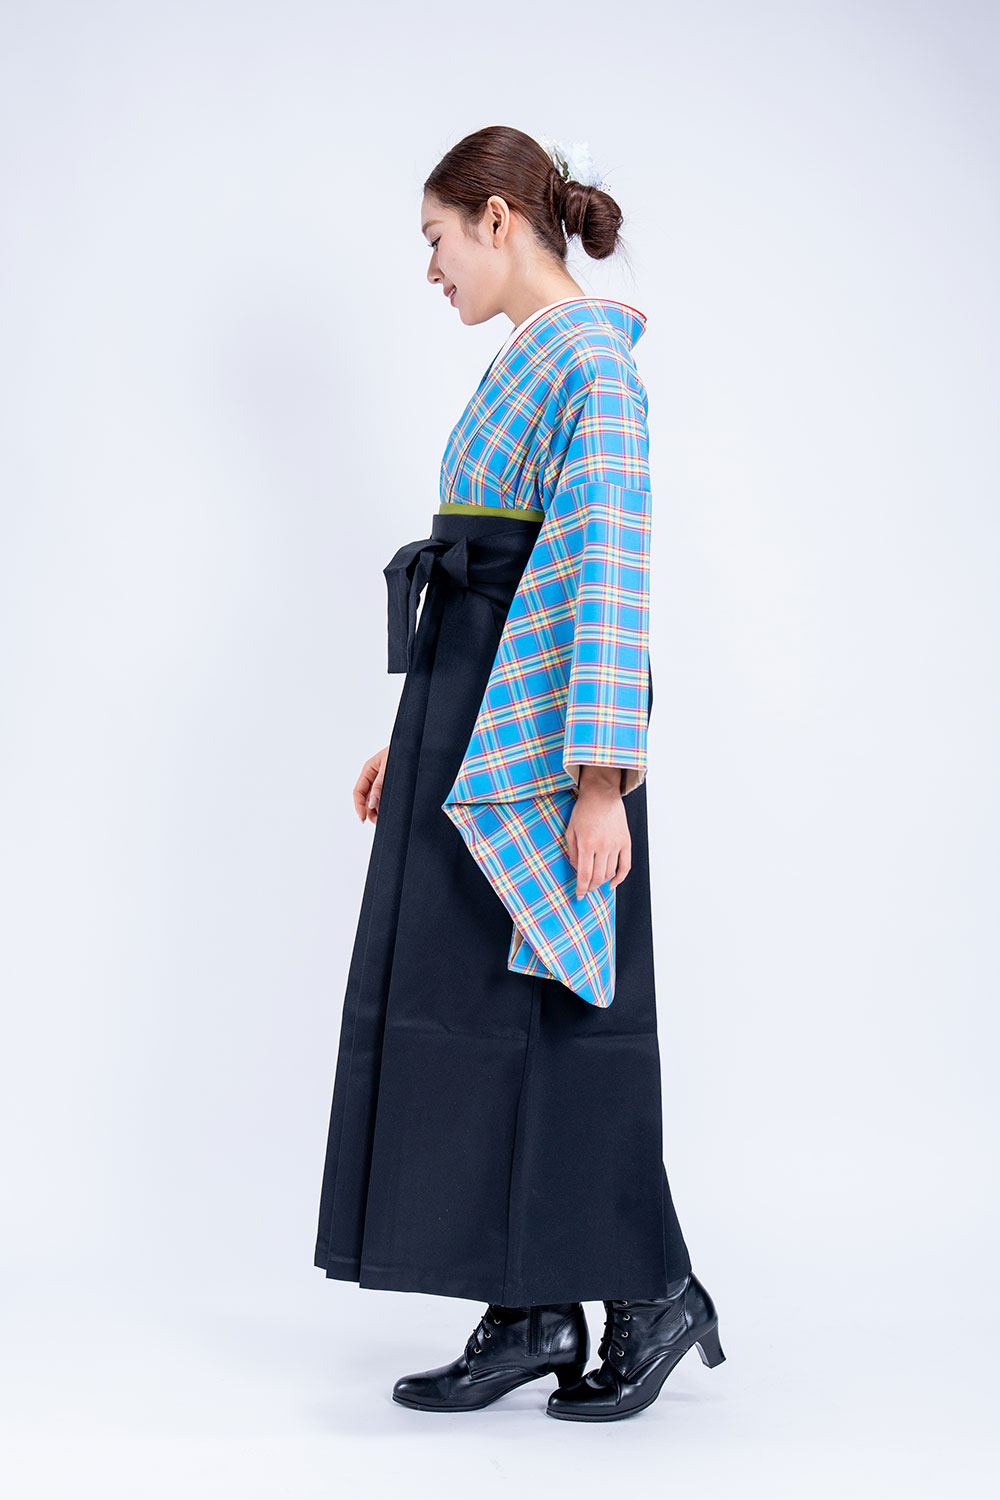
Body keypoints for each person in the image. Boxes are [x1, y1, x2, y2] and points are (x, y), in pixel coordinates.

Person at [313, 125, 725, 1422]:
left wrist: (602, 780)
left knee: (563, 1008)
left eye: (437, 238)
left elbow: (607, 572)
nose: (431, 268)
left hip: (544, 736)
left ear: (498, 218)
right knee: (476, 1006)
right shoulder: (528, 357)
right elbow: (486, 564)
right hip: (474, 709)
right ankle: (533, 1301)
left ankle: (652, 1290)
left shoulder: (591, 364)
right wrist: (417, 727)